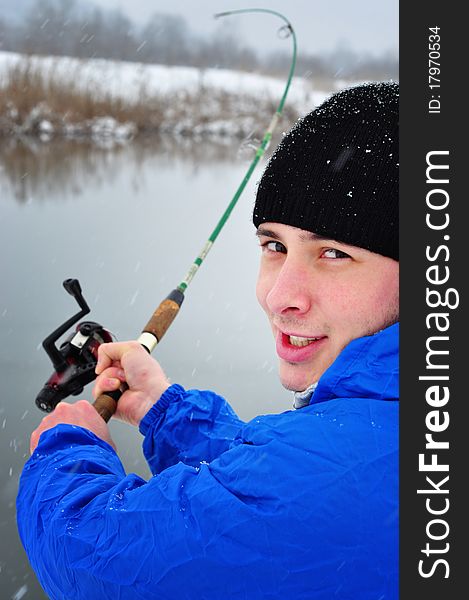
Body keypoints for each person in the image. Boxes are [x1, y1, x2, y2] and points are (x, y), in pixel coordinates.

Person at [17, 81, 399, 599]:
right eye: (273, 245)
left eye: (334, 253)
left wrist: (65, 449)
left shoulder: (351, 475)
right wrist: (163, 410)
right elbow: (283, 493)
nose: (278, 296)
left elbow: (95, 559)